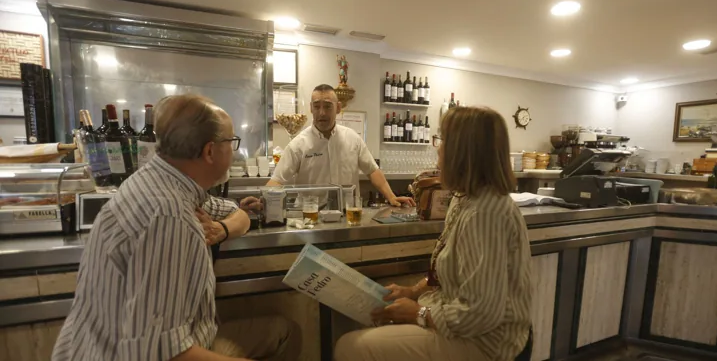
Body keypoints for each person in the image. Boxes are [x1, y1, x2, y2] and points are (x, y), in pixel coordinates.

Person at [52, 94, 300, 361]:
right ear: (209, 151)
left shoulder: (161, 182)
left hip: (104, 345)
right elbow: (159, 354)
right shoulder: (170, 218)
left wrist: (224, 228)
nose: (233, 149)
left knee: (281, 330)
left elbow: (231, 210)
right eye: (231, 141)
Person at [334, 106, 533, 361]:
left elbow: (480, 314)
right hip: (464, 328)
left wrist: (418, 313)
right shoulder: (465, 199)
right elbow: (447, 272)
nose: (437, 148)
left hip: (489, 344)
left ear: (463, 152)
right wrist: (412, 292)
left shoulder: (485, 213)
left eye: (443, 140)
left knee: (352, 347)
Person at [268, 84, 415, 207]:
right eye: (317, 106)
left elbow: (372, 171)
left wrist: (391, 197)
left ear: (338, 108)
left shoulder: (352, 138)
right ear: (311, 109)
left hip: (348, 215)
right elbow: (277, 180)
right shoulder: (298, 145)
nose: (322, 113)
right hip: (309, 217)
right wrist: (261, 200)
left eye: (327, 106)